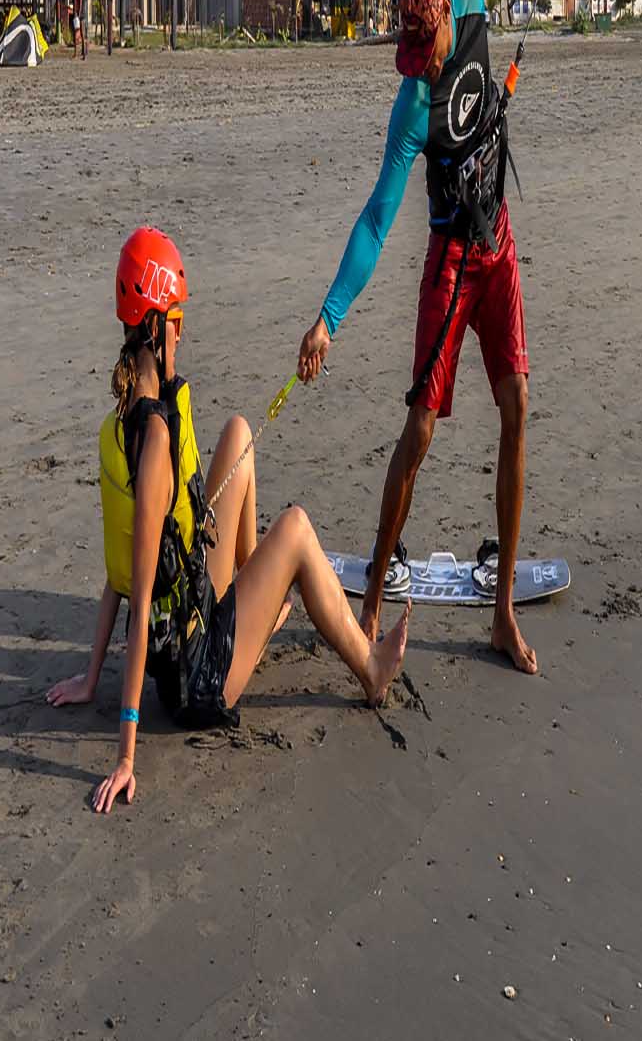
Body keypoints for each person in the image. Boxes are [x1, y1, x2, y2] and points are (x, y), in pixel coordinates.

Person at [48, 226, 410, 814]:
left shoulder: (128, 417)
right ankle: (370, 670)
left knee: (239, 430)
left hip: (193, 611)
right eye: (178, 318)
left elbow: (117, 566)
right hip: (197, 679)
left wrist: (91, 678)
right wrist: (126, 756)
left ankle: (253, 602)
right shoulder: (156, 442)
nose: (183, 330)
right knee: (294, 527)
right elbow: (138, 601)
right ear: (154, 327)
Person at [297, 0, 549, 674]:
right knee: (420, 434)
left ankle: (501, 610)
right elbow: (377, 219)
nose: (420, 64)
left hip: (495, 242)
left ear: (446, 11)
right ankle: (370, 605)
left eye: (425, 47)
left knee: (517, 407)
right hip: (448, 260)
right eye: (407, 52)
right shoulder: (411, 106)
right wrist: (327, 319)